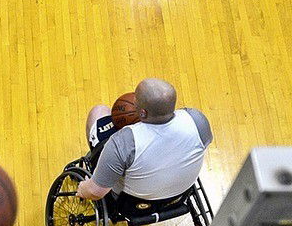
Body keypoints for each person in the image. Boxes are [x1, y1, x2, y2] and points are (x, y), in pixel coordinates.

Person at [77, 77, 213, 209]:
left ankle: (100, 164)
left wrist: (83, 189)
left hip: (131, 203)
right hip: (179, 196)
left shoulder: (124, 142)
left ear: (142, 113)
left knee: (99, 111)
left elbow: (96, 192)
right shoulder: (197, 121)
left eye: (135, 100)